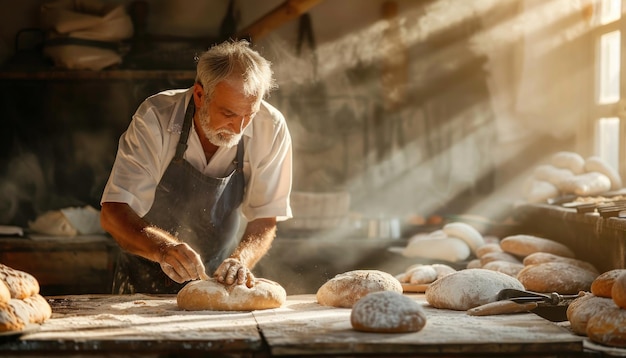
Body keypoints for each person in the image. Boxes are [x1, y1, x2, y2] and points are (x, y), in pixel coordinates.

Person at [99, 40, 293, 294]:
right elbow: (114, 212)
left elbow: (265, 216)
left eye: (250, 114)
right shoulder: (156, 117)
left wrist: (240, 262)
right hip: (141, 277)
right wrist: (163, 249)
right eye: (228, 114)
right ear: (200, 95)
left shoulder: (271, 127)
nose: (239, 128)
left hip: (218, 282)